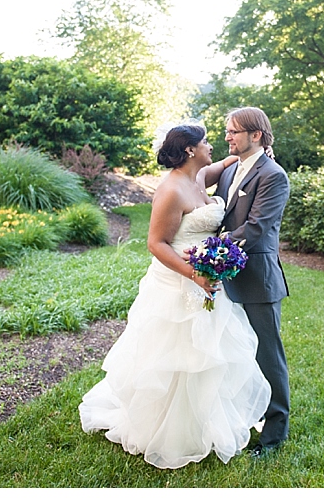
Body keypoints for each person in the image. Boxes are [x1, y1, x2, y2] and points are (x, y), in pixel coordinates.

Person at [79, 123, 271, 469]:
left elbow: (220, 166)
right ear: (189, 150)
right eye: (207, 142)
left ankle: (206, 424)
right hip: (179, 280)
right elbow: (156, 243)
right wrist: (193, 274)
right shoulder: (170, 189)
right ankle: (168, 431)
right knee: (177, 355)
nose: (212, 146)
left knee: (210, 355)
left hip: (207, 278)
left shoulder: (198, 177)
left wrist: (248, 156)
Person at [214, 107, 291, 457]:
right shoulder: (231, 171)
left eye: (233, 132)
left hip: (257, 279)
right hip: (226, 277)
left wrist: (211, 251)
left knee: (267, 355)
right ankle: (245, 417)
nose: (227, 137)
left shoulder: (273, 175)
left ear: (255, 135)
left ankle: (274, 435)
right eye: (228, 131)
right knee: (235, 353)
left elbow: (257, 228)